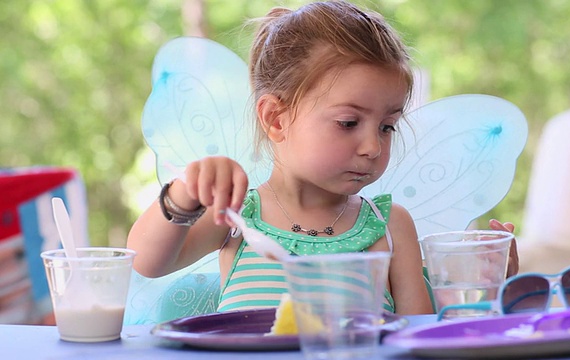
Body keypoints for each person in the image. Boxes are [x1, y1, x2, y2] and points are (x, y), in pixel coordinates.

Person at [127, 0, 518, 315]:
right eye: (348, 122)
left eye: (387, 126)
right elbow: (146, 261)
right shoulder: (237, 215)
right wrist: (182, 195)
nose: (373, 147)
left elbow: (416, 336)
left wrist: (481, 290)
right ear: (276, 119)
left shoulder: (389, 226)